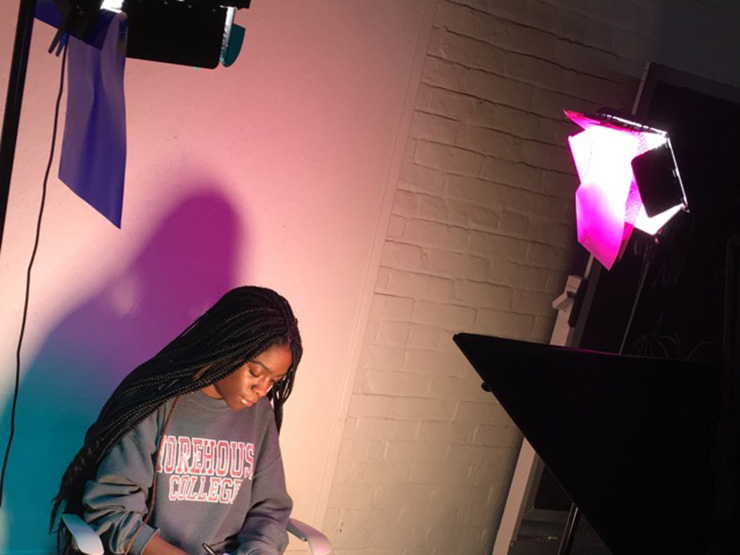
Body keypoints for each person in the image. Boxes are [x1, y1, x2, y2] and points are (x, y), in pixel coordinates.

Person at [51, 286, 302, 555]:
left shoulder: (259, 414)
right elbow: (112, 508)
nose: (262, 389)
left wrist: (259, 550)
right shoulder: (156, 401)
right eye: (255, 372)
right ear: (226, 347)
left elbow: (269, 509)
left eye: (273, 381)